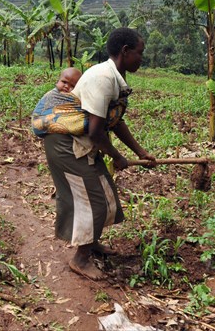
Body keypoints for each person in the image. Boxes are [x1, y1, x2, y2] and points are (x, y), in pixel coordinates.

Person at [41, 27, 156, 281]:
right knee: (94, 201)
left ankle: (91, 244)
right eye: (140, 53)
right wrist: (117, 156)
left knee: (105, 193)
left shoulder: (114, 77)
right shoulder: (103, 78)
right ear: (125, 52)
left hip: (82, 143)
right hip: (67, 146)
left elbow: (114, 122)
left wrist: (141, 152)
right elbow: (95, 131)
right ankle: (80, 260)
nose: (141, 58)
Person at [31, 67, 84, 138]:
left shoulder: (76, 98)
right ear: (58, 81)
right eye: (64, 82)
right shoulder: (52, 95)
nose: (67, 86)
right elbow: (40, 111)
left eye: (72, 86)